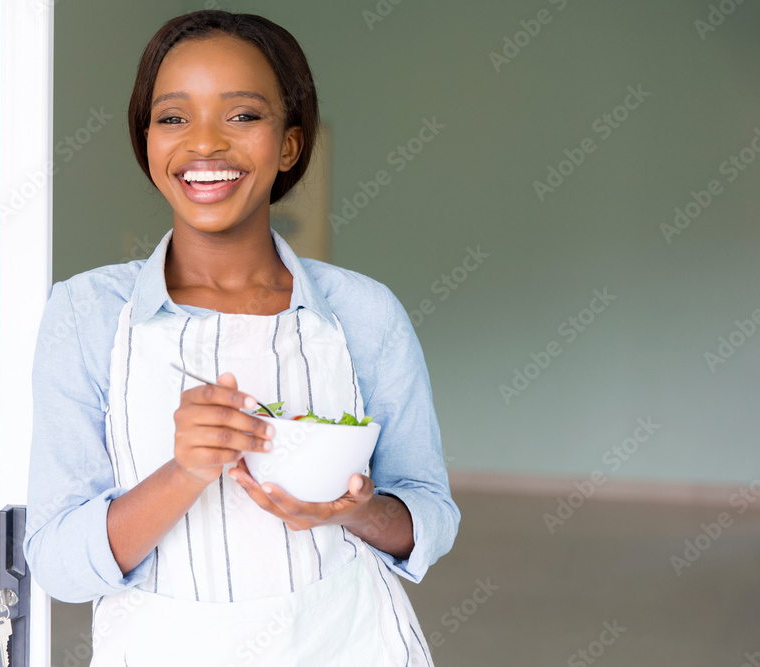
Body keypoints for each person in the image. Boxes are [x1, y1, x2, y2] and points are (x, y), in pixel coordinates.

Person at [24, 9, 459, 666]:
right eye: (174, 117)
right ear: (147, 141)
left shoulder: (363, 313)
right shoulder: (86, 314)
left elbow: (431, 515)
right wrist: (186, 472)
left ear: (289, 144)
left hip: (347, 641)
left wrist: (355, 511)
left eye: (243, 115)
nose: (204, 143)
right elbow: (59, 563)